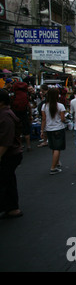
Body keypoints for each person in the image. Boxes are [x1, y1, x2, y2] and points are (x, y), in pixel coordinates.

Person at [0, 89, 24, 219]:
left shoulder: (5, 116)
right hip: (11, 153)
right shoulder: (6, 114)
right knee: (8, 180)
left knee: (5, 181)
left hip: (9, 154)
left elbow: (6, 141)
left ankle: (11, 207)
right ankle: (11, 207)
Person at [41, 88, 66, 175]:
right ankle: (53, 167)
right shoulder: (60, 106)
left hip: (48, 129)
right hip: (58, 128)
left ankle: (57, 162)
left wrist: (42, 130)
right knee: (57, 148)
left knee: (53, 147)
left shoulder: (44, 106)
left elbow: (43, 119)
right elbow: (62, 119)